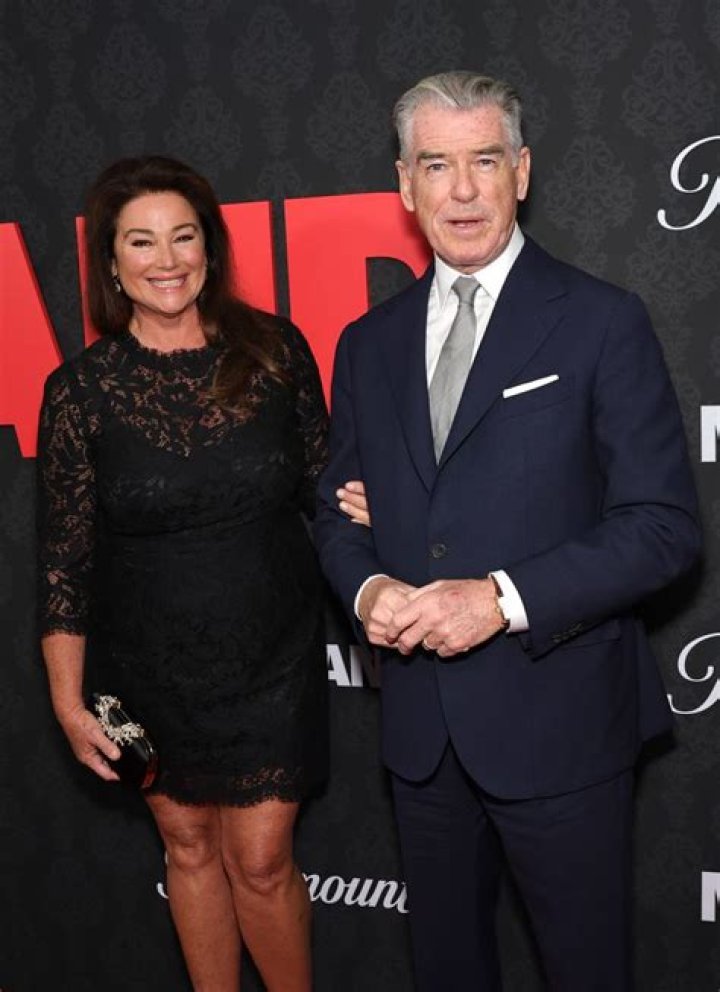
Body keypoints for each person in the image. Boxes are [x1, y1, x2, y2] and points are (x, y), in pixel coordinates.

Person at [315, 72, 701, 991]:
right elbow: (336, 507)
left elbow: (663, 527)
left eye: (484, 161)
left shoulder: (601, 320)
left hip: (562, 723)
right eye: (435, 164)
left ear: (520, 172)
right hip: (421, 736)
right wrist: (367, 588)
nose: (461, 190)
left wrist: (501, 599)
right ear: (403, 183)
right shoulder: (367, 343)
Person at [36, 155, 367, 992]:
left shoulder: (274, 353)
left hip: (273, 658)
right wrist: (69, 704)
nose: (167, 259)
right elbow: (65, 562)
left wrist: (388, 507)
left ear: (210, 250)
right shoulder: (80, 393)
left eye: (183, 237)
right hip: (147, 669)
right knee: (186, 847)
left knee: (261, 859)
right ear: (111, 264)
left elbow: (327, 488)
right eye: (141, 242)